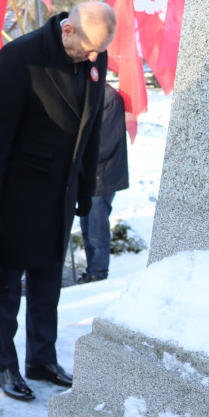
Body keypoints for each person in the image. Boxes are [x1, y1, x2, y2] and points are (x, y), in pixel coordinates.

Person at [0, 1, 116, 402]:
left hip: (59, 196)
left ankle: (42, 359)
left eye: (99, 51)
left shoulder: (92, 57)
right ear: (68, 30)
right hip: (14, 197)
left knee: (48, 286)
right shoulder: (20, 58)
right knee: (6, 287)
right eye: (88, 49)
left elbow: (90, 133)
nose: (93, 58)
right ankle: (7, 366)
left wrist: (84, 195)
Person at [78, 83, 129, 283]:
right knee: (87, 226)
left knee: (97, 228)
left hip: (103, 174)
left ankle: (98, 273)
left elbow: (104, 143)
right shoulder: (93, 95)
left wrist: (77, 158)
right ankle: (92, 269)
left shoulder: (110, 99)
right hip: (89, 175)